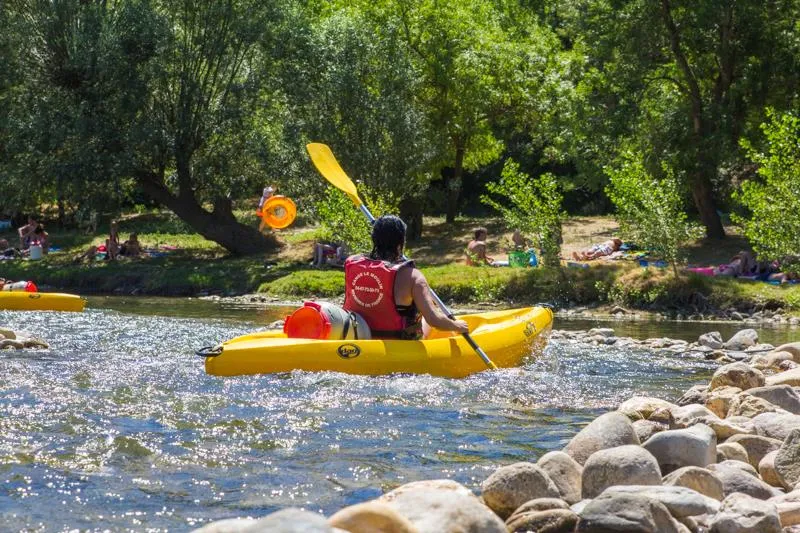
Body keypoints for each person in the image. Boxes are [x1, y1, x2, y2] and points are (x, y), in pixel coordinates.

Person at [343, 215, 469, 340]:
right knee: (425, 317)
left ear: (374, 239)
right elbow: (434, 320)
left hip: (359, 338)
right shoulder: (412, 276)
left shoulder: (352, 263)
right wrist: (457, 325)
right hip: (399, 343)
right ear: (401, 241)